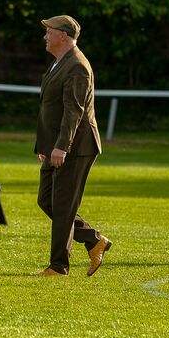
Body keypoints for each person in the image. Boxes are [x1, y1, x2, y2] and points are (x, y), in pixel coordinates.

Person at [33, 15, 111, 277]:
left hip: (77, 147)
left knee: (63, 206)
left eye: (49, 32)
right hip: (57, 146)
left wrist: (62, 147)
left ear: (63, 35)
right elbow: (50, 108)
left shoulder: (77, 66)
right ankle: (94, 240)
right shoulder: (59, 62)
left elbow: (73, 111)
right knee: (47, 201)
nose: (45, 36)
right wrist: (45, 145)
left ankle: (58, 266)